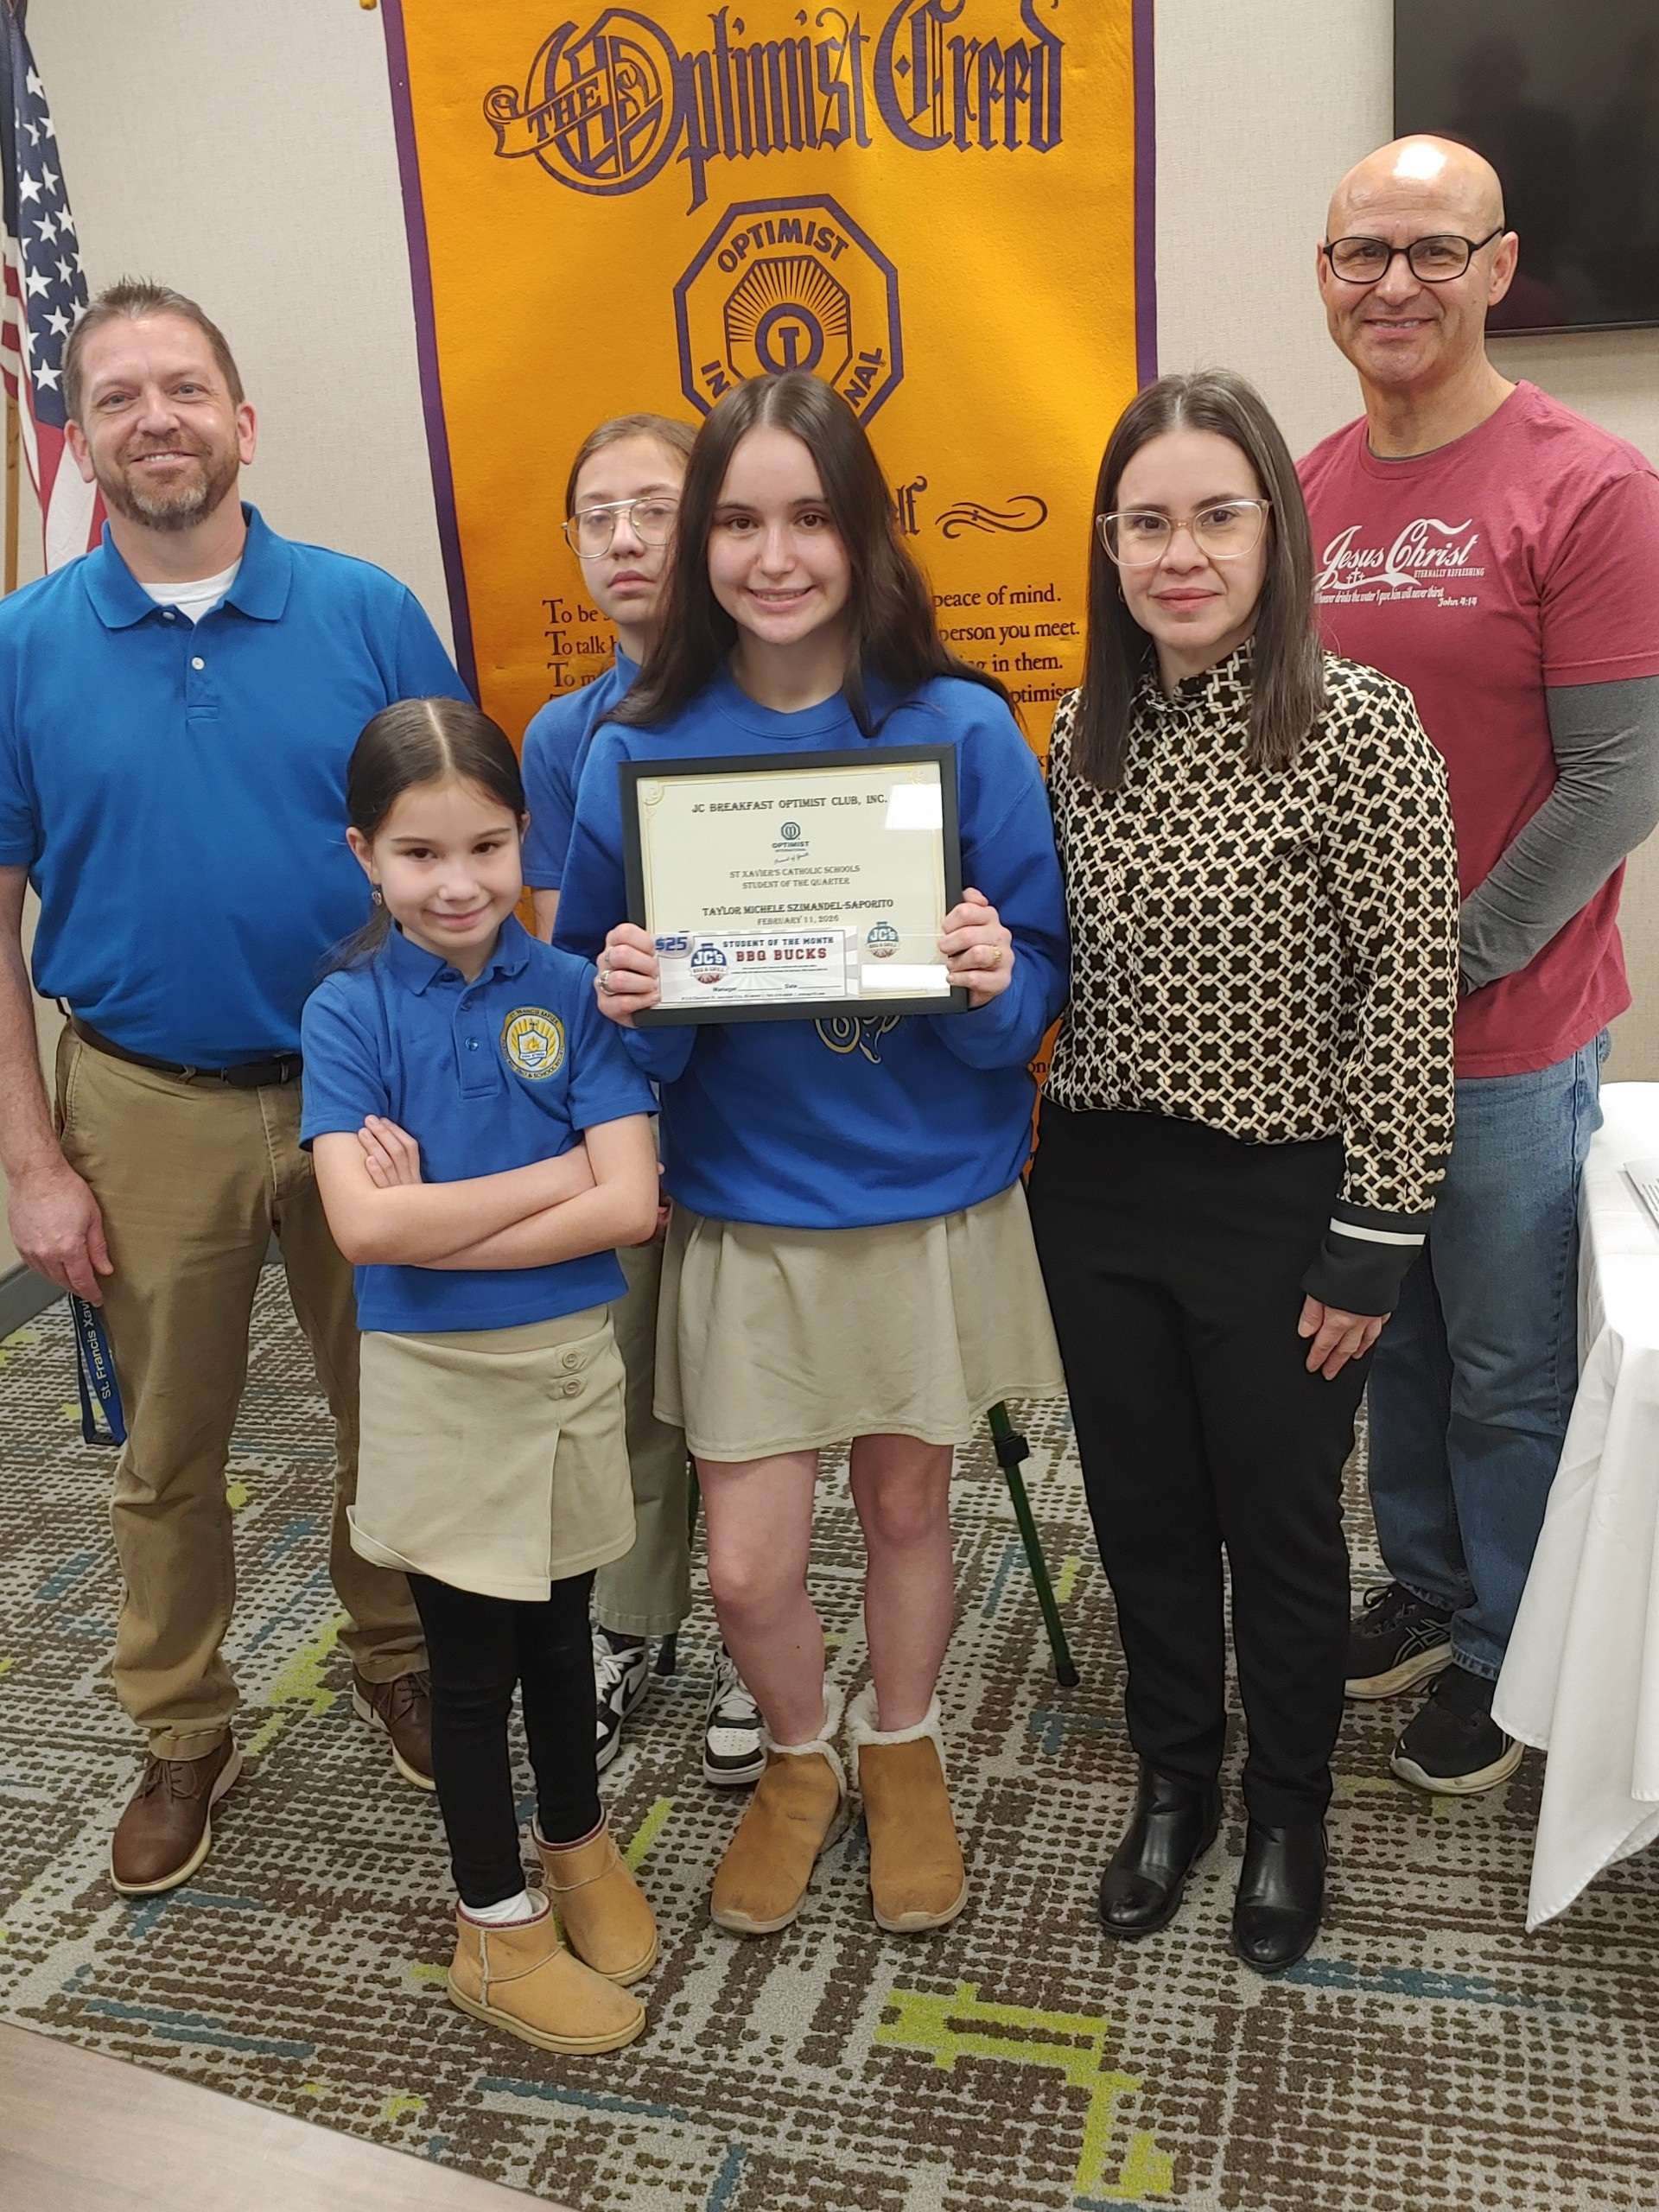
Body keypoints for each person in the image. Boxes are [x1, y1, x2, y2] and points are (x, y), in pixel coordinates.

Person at [555, 370, 1068, 1938]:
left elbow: (1038, 978)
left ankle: (901, 1745)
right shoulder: (631, 750)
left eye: (810, 518)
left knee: (913, 1513)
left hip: (923, 1198)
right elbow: (597, 1024)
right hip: (746, 1210)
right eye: (738, 520)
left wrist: (992, 982)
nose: (774, 555)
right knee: (745, 1569)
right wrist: (636, 1005)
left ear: (866, 534)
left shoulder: (962, 728)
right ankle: (799, 1751)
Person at [0, 280, 467, 1896]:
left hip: (369, 1082)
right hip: (142, 1103)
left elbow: (463, 861)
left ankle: (393, 1647)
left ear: (242, 418)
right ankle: (180, 1729)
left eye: (184, 388)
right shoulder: (22, 648)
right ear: (86, 437)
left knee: (395, 1410)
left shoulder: (363, 611)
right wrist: (31, 1165)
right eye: (117, 397)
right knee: (166, 1448)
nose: (156, 420)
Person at [1027, 369, 1459, 1973]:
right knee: (1139, 1511)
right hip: (1097, 1186)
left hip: (1283, 1198)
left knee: (1278, 1525)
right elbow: (1049, 956)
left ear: (1275, 528)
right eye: (1147, 522)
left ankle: (1288, 1810)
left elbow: (1409, 996)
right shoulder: (1079, 731)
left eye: (1216, 515)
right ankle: (1176, 1785)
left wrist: (1372, 1244)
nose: (1181, 552)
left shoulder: (1359, 729)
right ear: (1109, 546)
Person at [1302, 137, 1659, 1793]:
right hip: (1333, 1032)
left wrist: (1460, 952)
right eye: (1363, 251)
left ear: (1501, 269)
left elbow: (1622, 776)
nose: (1395, 285)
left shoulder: (1589, 487)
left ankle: (1513, 1643)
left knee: (1510, 1364)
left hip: (1501, 1029)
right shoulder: (1303, 489)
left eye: (1434, 254)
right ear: (1324, 273)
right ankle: (1432, 1585)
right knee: (1386, 1333)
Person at [301, 697, 661, 2055]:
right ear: (365, 855)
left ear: (527, 842)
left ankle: (574, 1846)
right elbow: (364, 1229)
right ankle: (494, 1925)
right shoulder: (347, 1012)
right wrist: (560, 1172)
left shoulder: (571, 991)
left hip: (565, 1365)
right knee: (467, 1669)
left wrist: (457, 1210)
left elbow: (632, 1206)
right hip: (434, 1380)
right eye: (418, 854)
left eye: (489, 847)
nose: (457, 885)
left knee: (565, 1631)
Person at [524, 411, 762, 1789]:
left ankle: (754, 1635)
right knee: (619, 1385)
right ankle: (632, 1621)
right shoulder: (567, 735)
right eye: (598, 514)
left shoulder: (790, 692)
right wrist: (621, 1137)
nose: (625, 540)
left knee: (737, 1394)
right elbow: (568, 962)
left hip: (770, 1120)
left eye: (656, 510)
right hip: (627, 1125)